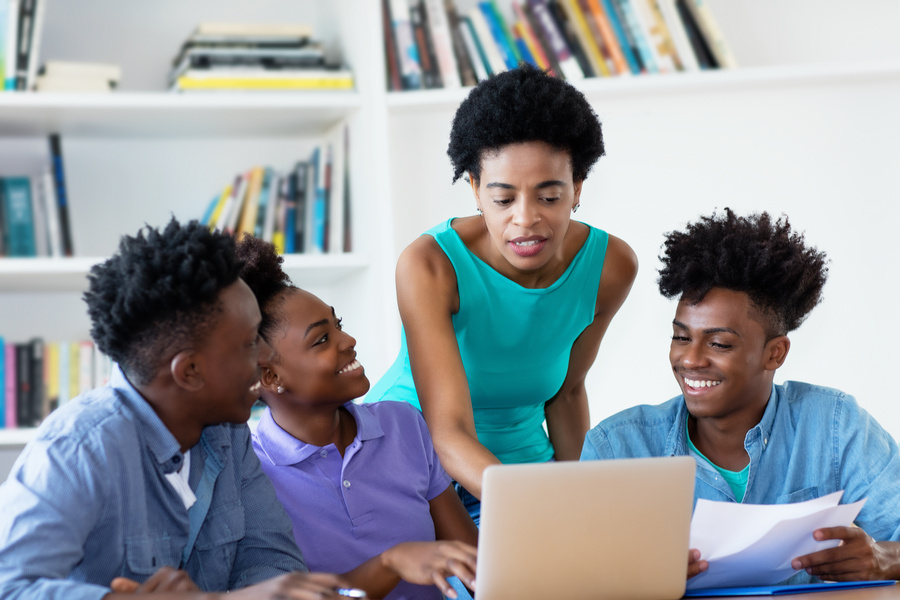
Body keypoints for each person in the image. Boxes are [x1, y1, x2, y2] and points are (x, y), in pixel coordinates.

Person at [0, 219, 356, 599]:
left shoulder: (230, 434)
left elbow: (274, 563)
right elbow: (11, 586)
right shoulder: (78, 448)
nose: (267, 356)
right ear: (189, 372)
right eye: (251, 342)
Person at [366, 63, 638, 521]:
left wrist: (583, 506)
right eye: (503, 199)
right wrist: (527, 507)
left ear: (577, 189)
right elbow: (448, 431)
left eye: (549, 197)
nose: (525, 219)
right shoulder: (430, 266)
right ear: (475, 190)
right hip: (414, 470)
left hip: (521, 470)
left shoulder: (611, 267)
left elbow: (567, 395)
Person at [581, 209, 900, 582]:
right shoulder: (617, 448)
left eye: (718, 343)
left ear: (774, 353)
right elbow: (571, 574)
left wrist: (885, 558)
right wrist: (628, 577)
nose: (691, 359)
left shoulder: (834, 427)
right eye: (681, 337)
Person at [235, 236, 478, 600]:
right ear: (270, 377)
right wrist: (391, 562)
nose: (348, 339)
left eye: (339, 324)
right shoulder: (252, 473)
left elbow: (476, 562)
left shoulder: (404, 424)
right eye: (321, 339)